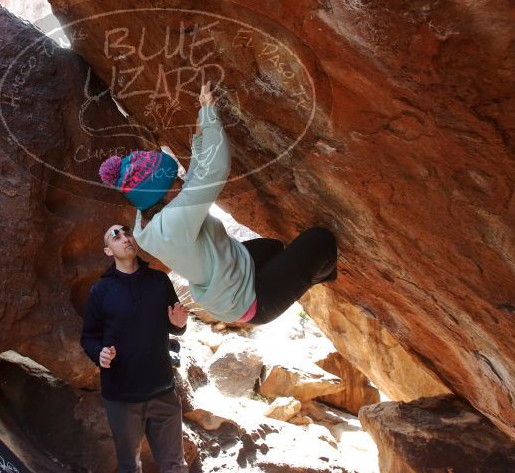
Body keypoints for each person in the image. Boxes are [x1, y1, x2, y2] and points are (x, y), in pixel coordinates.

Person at [97, 82, 337, 325]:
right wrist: (210, 114)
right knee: (320, 240)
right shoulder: (172, 223)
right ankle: (323, 273)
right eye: (174, 180)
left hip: (233, 269)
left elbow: (191, 183)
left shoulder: (146, 219)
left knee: (274, 247)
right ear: (161, 195)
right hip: (250, 302)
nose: (181, 179)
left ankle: (294, 272)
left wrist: (201, 136)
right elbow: (214, 171)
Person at [81, 223, 190, 473]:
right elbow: (89, 337)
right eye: (115, 236)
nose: (124, 237)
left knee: (175, 465)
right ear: (108, 251)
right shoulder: (100, 291)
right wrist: (100, 354)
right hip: (122, 396)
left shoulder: (159, 281)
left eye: (127, 232)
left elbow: (175, 324)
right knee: (130, 467)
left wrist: (179, 325)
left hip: (163, 390)